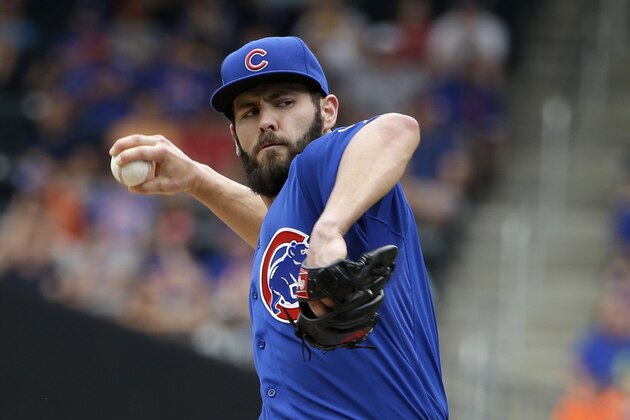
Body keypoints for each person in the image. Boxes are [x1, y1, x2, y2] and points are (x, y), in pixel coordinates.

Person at [110, 36, 448, 418]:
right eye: (249, 112)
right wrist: (196, 178)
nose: (267, 120)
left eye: (284, 102)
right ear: (235, 136)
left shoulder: (324, 165)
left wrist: (329, 231)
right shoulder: (298, 214)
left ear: (329, 111)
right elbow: (276, 234)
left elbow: (396, 130)